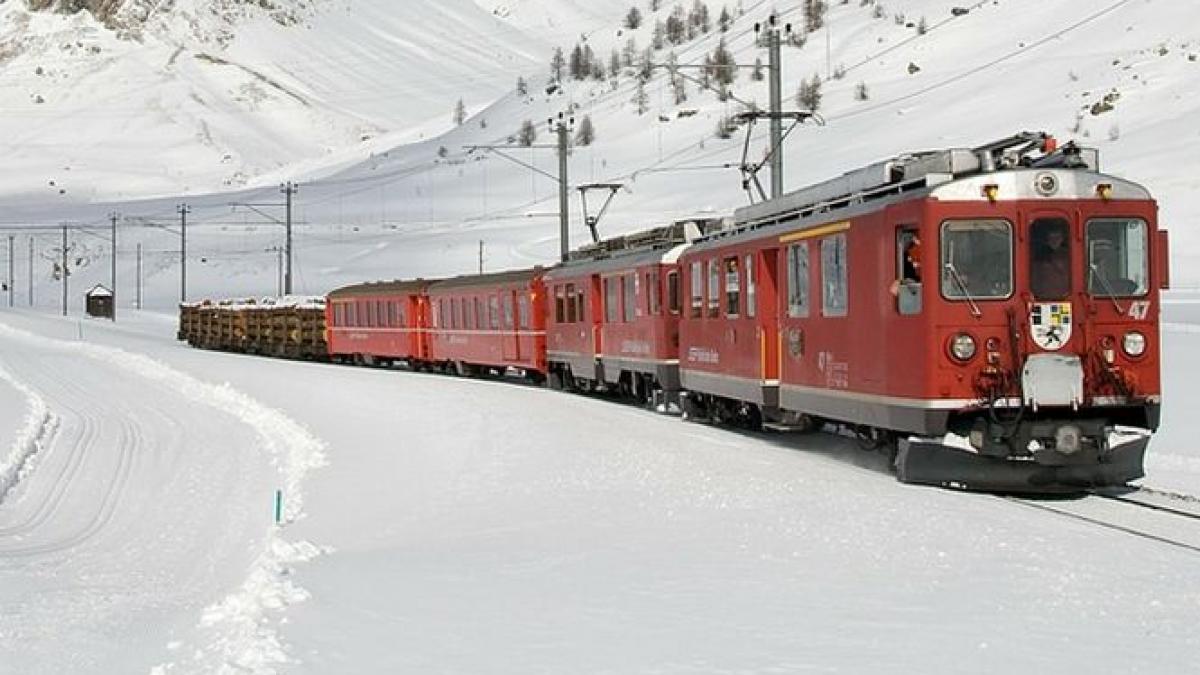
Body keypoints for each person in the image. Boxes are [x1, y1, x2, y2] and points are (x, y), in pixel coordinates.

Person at [1032, 224, 1070, 299]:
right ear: (1047, 240)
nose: (1054, 240)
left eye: (1057, 237)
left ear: (1062, 239)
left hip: (1064, 297)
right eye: (1051, 238)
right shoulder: (1039, 256)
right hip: (1043, 297)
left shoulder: (1070, 256)